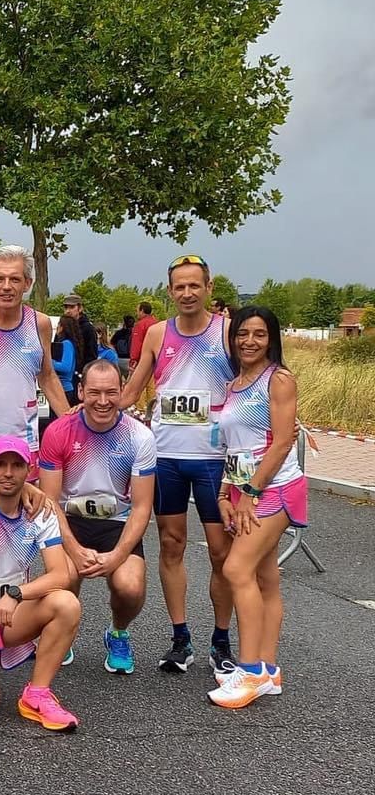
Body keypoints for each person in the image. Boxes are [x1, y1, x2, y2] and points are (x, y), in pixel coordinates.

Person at [121, 255, 235, 676]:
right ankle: (180, 638)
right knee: (171, 544)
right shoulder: (157, 333)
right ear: (169, 292)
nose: (187, 293)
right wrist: (91, 407)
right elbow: (131, 391)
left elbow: (254, 383)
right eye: (179, 287)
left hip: (214, 459)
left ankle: (221, 639)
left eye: (194, 286)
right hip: (167, 457)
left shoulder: (227, 332)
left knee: (221, 552)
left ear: (208, 287)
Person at [0, 436, 81, 731]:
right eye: (1, 464)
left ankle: (37, 694)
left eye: (17, 465)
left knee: (67, 604)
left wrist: (16, 594)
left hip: (8, 617)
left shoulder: (41, 512)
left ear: (29, 470)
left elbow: (61, 574)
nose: (8, 473)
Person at [208, 306, 303, 708]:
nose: (249, 341)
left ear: (272, 339)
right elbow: (233, 448)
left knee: (236, 569)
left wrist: (250, 492)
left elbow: (281, 443)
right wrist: (224, 494)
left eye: (259, 334)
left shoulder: (278, 380)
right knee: (265, 577)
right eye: (242, 334)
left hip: (274, 490)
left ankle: (249, 672)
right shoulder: (233, 385)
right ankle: (268, 669)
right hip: (243, 489)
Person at [40, 358, 157, 673]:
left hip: (116, 524)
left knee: (130, 587)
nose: (102, 401)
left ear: (122, 391)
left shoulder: (140, 437)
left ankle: (118, 632)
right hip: (69, 521)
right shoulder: (57, 431)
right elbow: (49, 500)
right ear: (80, 392)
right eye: (94, 393)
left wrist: (117, 556)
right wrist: (75, 550)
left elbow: (142, 507)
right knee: (63, 577)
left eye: (110, 393)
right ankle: (61, 631)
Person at [0, 245, 69, 460]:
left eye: (15, 279)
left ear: (28, 283)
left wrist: (70, 424)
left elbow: (47, 376)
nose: (6, 287)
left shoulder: (40, 324)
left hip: (24, 445)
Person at [61, 294, 99, 372]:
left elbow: (91, 356)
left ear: (80, 308)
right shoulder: (63, 327)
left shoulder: (88, 328)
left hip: (80, 372)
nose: (68, 311)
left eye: (72, 307)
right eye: (66, 307)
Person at [51, 314, 80, 399]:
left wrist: (50, 362)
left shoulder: (66, 344)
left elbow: (66, 367)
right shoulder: (65, 343)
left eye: (59, 324)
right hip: (60, 388)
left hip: (64, 388)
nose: (57, 327)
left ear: (63, 327)